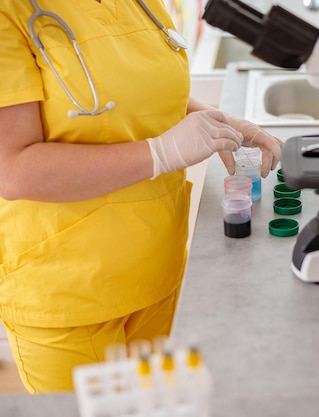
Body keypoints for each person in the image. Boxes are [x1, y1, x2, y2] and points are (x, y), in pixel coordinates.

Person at [0, 0, 283, 393]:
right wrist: (160, 153)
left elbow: (139, 96)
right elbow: (12, 169)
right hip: (70, 293)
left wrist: (219, 123)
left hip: (159, 270)